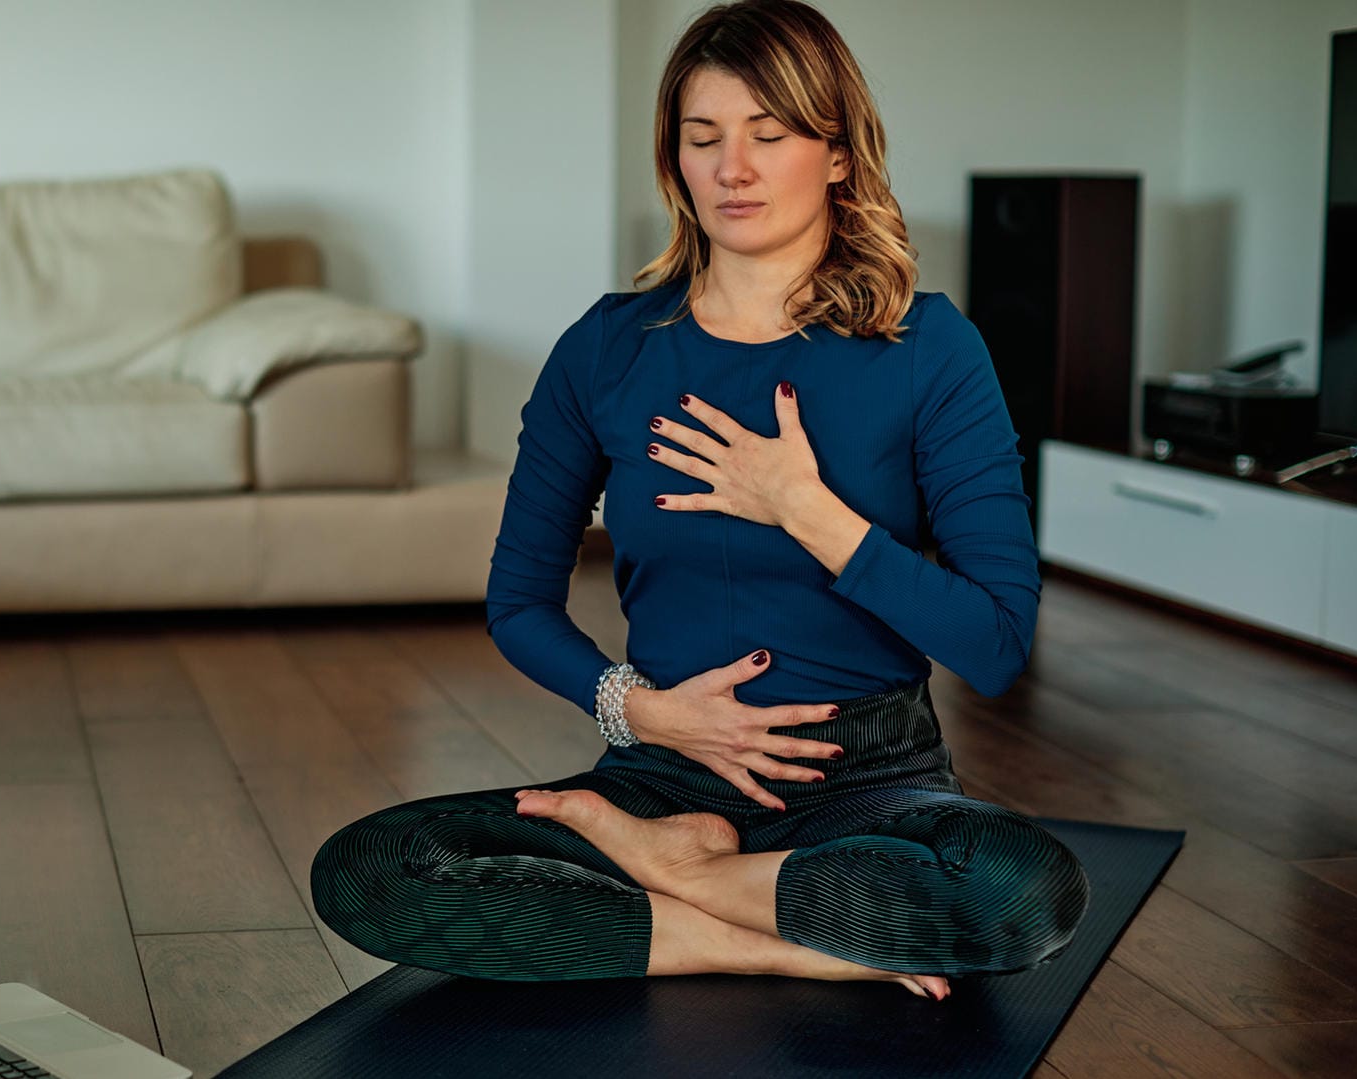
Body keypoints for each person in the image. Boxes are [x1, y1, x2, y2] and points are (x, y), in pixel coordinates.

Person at [309, 0, 1090, 1002]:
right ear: (672, 158)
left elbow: (994, 640)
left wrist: (805, 507)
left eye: (771, 136)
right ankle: (754, 931)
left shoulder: (932, 349)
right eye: (704, 137)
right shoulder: (607, 346)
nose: (735, 169)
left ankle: (689, 892)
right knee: (376, 866)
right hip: (664, 774)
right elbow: (518, 601)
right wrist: (636, 709)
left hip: (870, 780)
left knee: (1026, 891)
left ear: (840, 155)